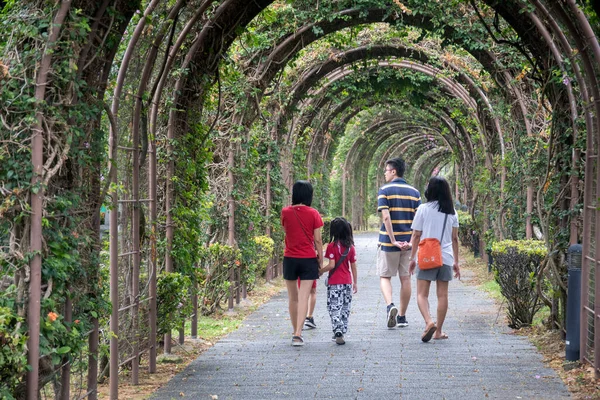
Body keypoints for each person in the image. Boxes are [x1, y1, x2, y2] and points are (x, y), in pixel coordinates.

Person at [408, 176, 461, 342]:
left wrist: (412, 258)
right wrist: (456, 262)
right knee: (442, 295)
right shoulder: (451, 211)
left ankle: (429, 322)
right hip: (445, 257)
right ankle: (438, 331)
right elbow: (454, 239)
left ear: (429, 190)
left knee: (421, 294)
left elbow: (416, 235)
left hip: (426, 256)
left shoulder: (423, 209)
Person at [377, 157, 421, 329]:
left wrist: (393, 239)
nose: (385, 173)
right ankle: (402, 317)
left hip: (389, 243)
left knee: (385, 276)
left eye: (386, 170)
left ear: (393, 171)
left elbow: (385, 216)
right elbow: (418, 221)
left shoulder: (384, 190)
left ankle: (390, 305)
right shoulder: (415, 192)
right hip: (408, 243)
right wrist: (410, 241)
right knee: (406, 279)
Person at [281, 180, 323, 346]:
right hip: (308, 258)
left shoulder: (285, 212)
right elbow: (318, 240)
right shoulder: (314, 213)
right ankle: (298, 333)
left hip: (290, 258)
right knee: (304, 296)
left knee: (293, 298)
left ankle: (294, 331)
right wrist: (320, 257)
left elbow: (286, 231)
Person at [319, 217, 357, 345]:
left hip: (334, 283)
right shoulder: (350, 247)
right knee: (345, 307)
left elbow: (331, 265)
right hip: (347, 282)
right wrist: (355, 282)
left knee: (334, 307)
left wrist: (320, 271)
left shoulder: (331, 246)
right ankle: (342, 329)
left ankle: (337, 329)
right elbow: (353, 266)